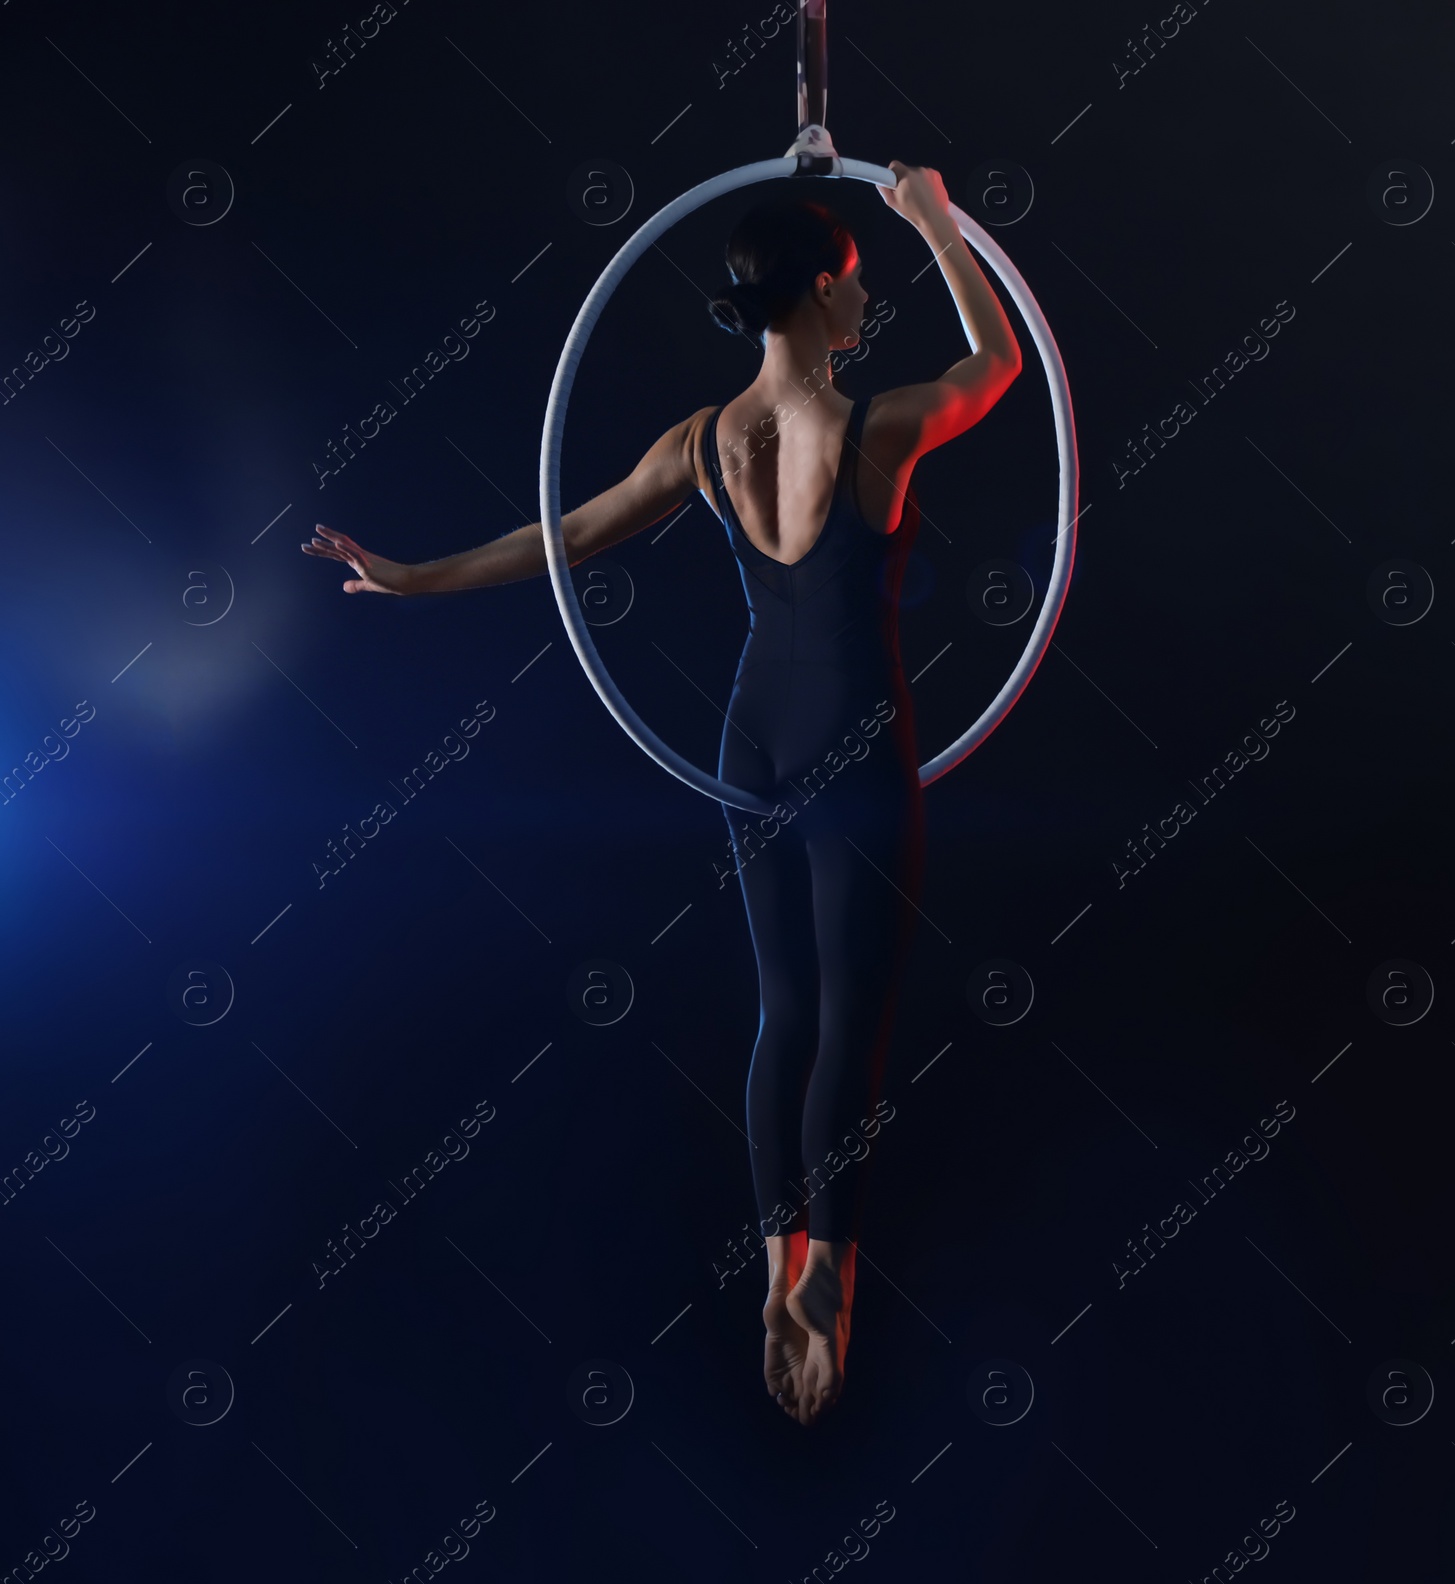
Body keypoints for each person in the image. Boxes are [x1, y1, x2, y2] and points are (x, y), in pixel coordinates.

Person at [303, 161, 1022, 1425]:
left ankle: (773, 1267)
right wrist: (933, 217)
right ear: (816, 292)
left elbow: (560, 536)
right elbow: (1002, 362)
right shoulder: (884, 426)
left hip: (752, 736)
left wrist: (410, 579)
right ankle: (830, 1283)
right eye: (858, 282)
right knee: (849, 1018)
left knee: (781, 1007)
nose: (869, 305)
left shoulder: (703, 443)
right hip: (853, 734)